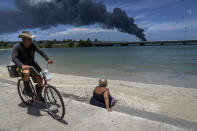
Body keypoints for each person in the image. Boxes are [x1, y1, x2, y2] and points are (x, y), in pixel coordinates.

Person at [12, 31, 53, 103]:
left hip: (32, 65)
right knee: (26, 72)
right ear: (23, 39)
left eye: (31, 38)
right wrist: (22, 65)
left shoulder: (33, 45)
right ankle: (27, 91)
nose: (31, 40)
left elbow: (40, 51)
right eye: (29, 39)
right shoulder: (17, 47)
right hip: (20, 67)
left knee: (40, 79)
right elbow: (14, 58)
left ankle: (38, 95)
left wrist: (48, 59)